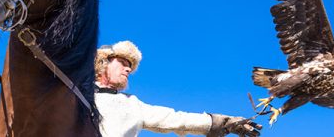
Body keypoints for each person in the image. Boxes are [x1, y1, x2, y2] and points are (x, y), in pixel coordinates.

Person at [94, 41, 261, 137]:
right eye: (123, 63)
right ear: (103, 63)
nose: (128, 69)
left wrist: (221, 122)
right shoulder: (74, 91)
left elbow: (175, 119)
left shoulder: (132, 105)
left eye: (130, 66)